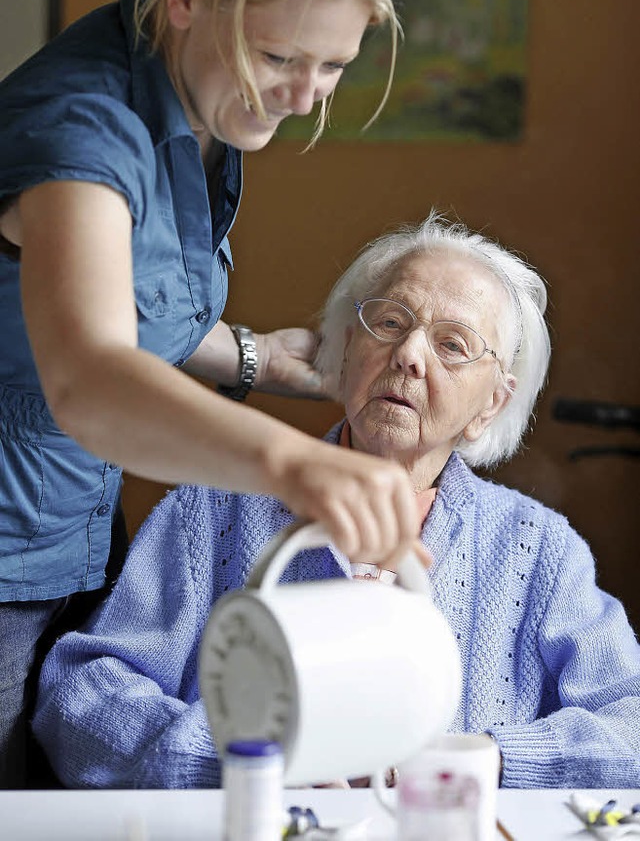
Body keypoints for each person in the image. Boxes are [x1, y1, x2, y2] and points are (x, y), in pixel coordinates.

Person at [0, 0, 423, 788]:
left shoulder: (196, 92)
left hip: (69, 528)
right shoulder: (81, 131)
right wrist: (293, 459)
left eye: (335, 66)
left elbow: (127, 298)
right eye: (280, 58)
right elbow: (88, 375)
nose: (308, 95)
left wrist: (263, 358)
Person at [33, 212, 640, 789]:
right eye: (391, 322)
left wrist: (487, 760)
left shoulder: (539, 549)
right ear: (347, 350)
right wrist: (251, 762)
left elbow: (628, 724)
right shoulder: (213, 511)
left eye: (452, 345)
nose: (408, 354)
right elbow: (81, 700)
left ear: (492, 405)